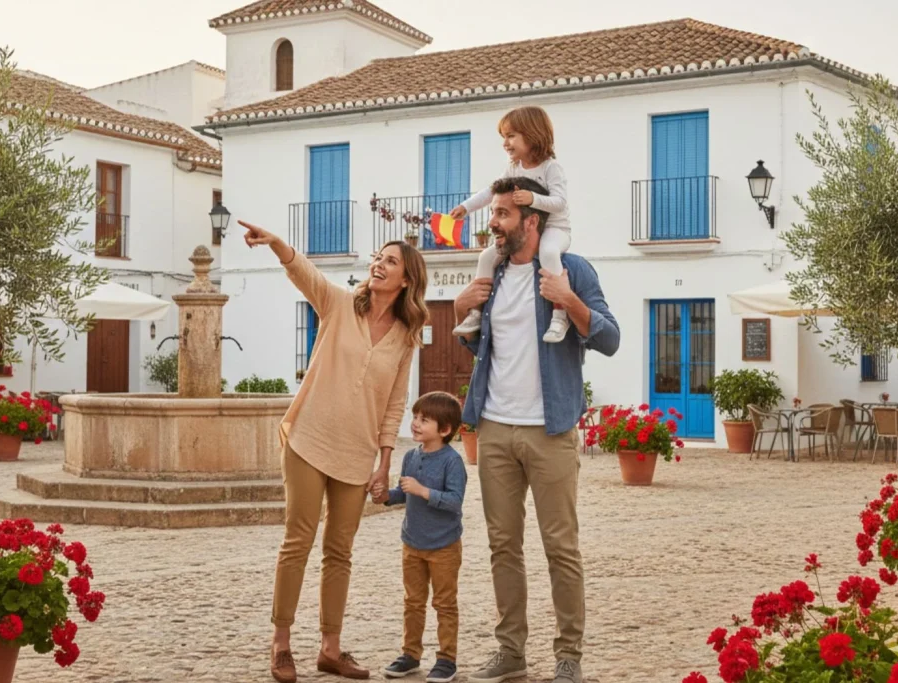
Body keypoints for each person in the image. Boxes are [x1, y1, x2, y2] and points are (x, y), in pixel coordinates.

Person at [240, 220, 429, 683]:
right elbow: (305, 274)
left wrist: (384, 461)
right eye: (378, 258)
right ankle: (281, 644)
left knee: (340, 551)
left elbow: (394, 404)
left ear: (406, 279)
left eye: (390, 261)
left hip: (357, 451)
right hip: (309, 438)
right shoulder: (340, 305)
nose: (379, 265)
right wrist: (278, 244)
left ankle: (330, 648)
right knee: (297, 541)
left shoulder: (406, 336)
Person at [453, 178, 620, 683]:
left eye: (503, 213)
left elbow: (609, 339)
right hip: (495, 431)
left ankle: (568, 655)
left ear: (532, 220)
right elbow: (484, 351)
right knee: (502, 545)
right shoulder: (494, 274)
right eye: (494, 212)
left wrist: (570, 301)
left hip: (551, 431)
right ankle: (511, 651)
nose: (494, 222)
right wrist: (463, 311)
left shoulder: (570, 269)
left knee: (560, 547)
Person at [451, 106, 571, 343]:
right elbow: (492, 191)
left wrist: (532, 199)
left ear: (533, 133)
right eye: (503, 137)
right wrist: (466, 207)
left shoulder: (550, 167)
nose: (505, 143)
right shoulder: (514, 167)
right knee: (485, 257)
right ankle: (476, 313)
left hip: (555, 229)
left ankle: (560, 314)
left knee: (548, 252)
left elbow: (560, 203)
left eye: (511, 135)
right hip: (523, 234)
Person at [373, 391, 467, 683]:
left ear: (445, 430)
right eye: (415, 417)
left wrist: (424, 491)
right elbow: (404, 492)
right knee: (412, 602)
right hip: (411, 543)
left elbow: (455, 501)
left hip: (444, 546)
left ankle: (446, 659)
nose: (415, 423)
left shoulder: (453, 462)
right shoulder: (411, 457)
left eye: (424, 420)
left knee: (444, 603)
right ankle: (410, 655)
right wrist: (386, 496)